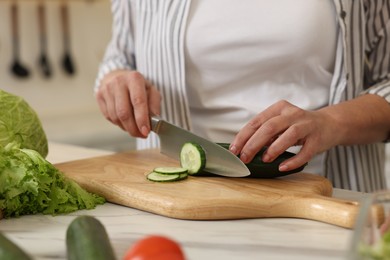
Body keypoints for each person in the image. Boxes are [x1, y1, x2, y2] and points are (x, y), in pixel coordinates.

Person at [94, 0, 390, 192]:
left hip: (326, 199)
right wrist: (117, 83)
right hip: (176, 204)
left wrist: (330, 123)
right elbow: (120, 57)